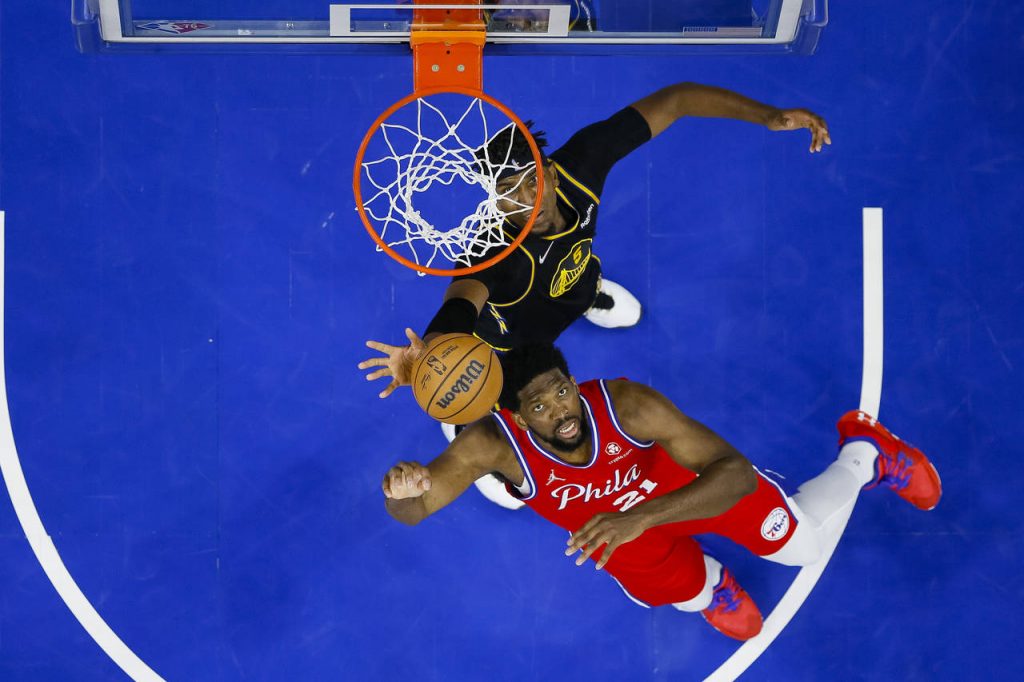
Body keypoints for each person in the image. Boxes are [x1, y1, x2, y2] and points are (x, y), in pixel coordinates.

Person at [362, 81, 830, 506]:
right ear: (493, 200)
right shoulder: (493, 253)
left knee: (580, 278)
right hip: (510, 343)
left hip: (573, 283)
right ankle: (464, 420)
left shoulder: (582, 164)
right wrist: (429, 356)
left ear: (551, 172)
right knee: (505, 400)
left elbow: (678, 99)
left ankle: (591, 297)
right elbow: (461, 303)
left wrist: (769, 115)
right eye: (506, 191)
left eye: (531, 181)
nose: (525, 200)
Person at [380, 344, 941, 640]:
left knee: (804, 549)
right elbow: (414, 509)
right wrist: (403, 491)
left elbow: (736, 474)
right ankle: (712, 587)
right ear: (520, 419)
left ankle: (865, 455)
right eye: (541, 406)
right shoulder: (492, 446)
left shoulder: (627, 406)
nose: (561, 411)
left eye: (562, 391)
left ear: (573, 383)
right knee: (684, 593)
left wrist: (641, 517)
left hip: (697, 493)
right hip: (622, 539)